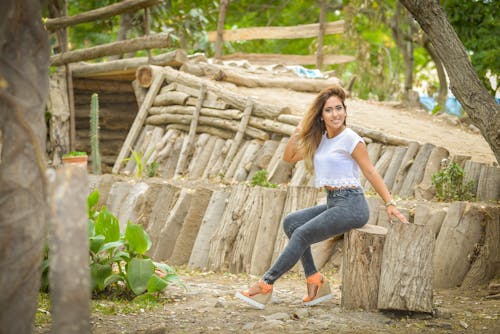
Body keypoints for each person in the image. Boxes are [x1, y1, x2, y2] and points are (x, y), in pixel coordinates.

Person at [235, 85, 409, 309]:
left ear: (345, 111)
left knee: (301, 234)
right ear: (321, 115)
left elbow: (370, 171)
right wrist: (298, 132)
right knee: (291, 222)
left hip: (352, 205)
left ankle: (265, 284)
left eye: (339, 108)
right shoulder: (321, 139)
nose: (335, 114)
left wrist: (390, 203)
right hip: (333, 201)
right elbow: (289, 157)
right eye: (329, 110)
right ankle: (315, 280)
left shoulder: (351, 139)